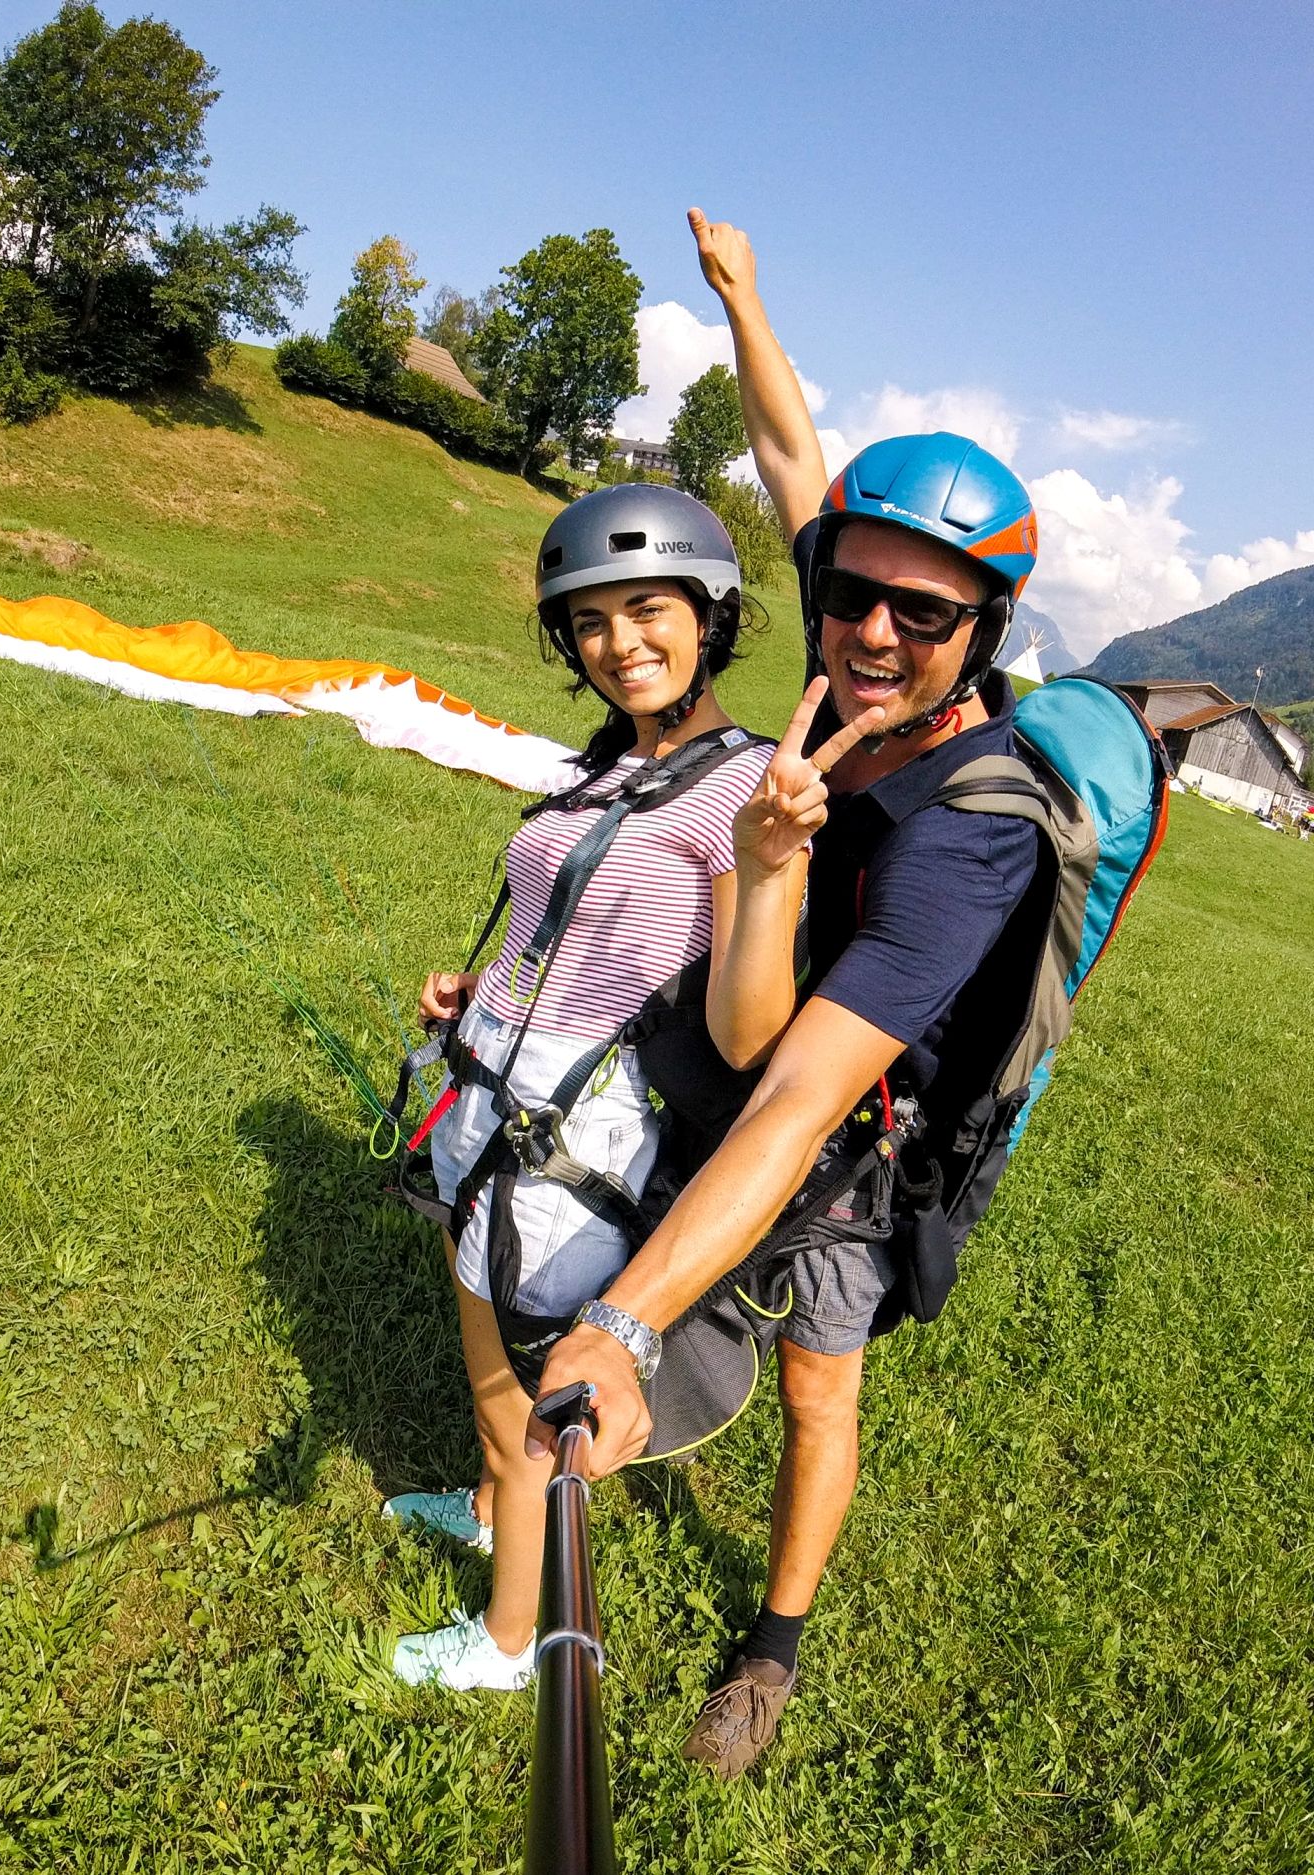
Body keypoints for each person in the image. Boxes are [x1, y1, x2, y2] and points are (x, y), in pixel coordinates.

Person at [530, 208, 1046, 1776]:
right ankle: (567, 1441)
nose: (873, 633)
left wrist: (620, 1319)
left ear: (983, 630)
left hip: (851, 1148)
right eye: (851, 595)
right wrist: (743, 294)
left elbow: (803, 1094)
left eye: (924, 614)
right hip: (738, 1042)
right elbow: (782, 450)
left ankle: (771, 1650)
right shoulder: (846, 657)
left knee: (819, 1386)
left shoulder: (971, 834)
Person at [385, 481, 880, 1691]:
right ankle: (498, 1513)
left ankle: (512, 1641)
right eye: (592, 622)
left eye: (649, 609)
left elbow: (748, 1030)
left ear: (710, 616)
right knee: (482, 1340)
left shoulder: (750, 786)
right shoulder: (609, 767)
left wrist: (769, 869)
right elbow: (567, 926)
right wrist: (477, 990)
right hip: (489, 1091)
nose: (622, 644)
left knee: (518, 1393)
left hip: (573, 1136)